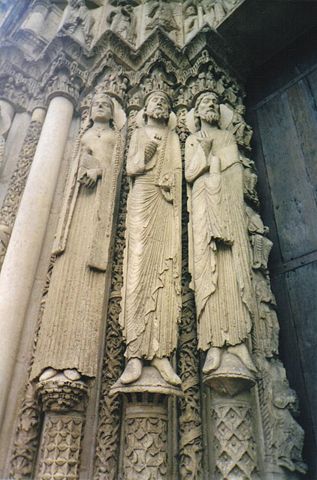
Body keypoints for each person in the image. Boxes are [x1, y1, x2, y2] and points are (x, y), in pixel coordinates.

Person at [31, 92, 123, 383]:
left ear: (112, 114)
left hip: (96, 217)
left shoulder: (115, 138)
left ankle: (75, 360)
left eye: (105, 105)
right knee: (62, 284)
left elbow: (116, 170)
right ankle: (51, 359)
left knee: (86, 286)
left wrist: (98, 171)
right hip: (74, 215)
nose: (99, 107)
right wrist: (80, 171)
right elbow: (72, 170)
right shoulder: (82, 137)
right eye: (96, 104)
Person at [185, 92, 256, 378]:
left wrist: (225, 197)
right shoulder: (192, 139)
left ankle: (238, 343)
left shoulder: (227, 137)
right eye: (205, 104)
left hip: (227, 204)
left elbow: (235, 172)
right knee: (208, 271)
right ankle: (213, 344)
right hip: (203, 206)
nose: (211, 106)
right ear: (198, 113)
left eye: (214, 103)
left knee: (232, 270)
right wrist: (203, 151)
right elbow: (190, 175)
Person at [119, 91, 182, 386]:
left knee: (165, 274)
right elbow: (131, 168)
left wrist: (171, 185)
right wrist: (145, 155)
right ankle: (133, 353)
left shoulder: (173, 138)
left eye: (165, 103)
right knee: (138, 273)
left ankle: (161, 353)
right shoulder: (140, 133)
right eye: (156, 101)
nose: (160, 105)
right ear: (145, 108)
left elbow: (178, 174)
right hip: (142, 198)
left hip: (165, 204)